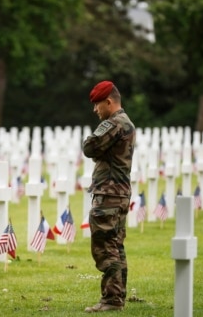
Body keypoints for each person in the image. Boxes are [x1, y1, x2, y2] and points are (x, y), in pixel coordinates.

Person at [82, 80, 136, 313]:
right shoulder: (125, 123)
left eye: (97, 104)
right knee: (115, 245)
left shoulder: (114, 123)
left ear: (109, 102)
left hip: (109, 194)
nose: (95, 110)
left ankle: (112, 300)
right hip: (118, 193)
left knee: (105, 246)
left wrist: (93, 147)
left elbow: (89, 148)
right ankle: (118, 297)